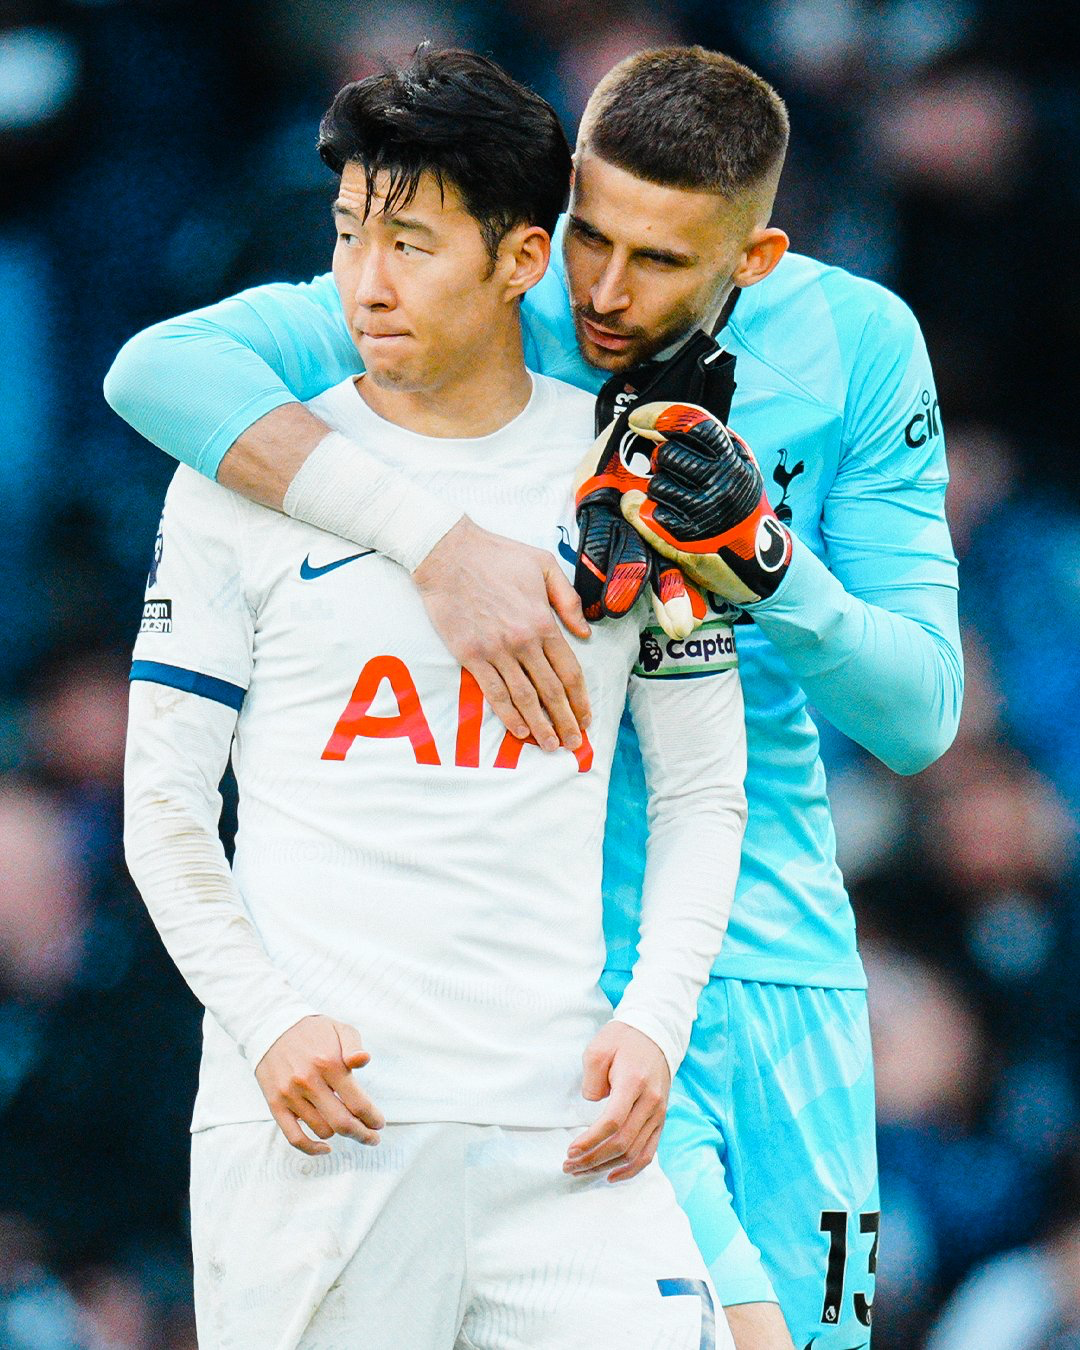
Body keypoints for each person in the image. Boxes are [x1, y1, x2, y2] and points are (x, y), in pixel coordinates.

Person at [106, 44, 964, 1350]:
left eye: (661, 261)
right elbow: (152, 376)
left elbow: (918, 715)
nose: (605, 291)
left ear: (753, 260)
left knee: (837, 1329)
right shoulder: (448, 280)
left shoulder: (857, 346)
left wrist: (766, 565)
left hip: (782, 953)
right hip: (570, 989)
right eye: (587, 236)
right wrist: (436, 544)